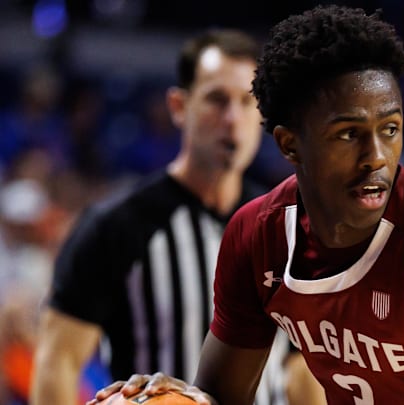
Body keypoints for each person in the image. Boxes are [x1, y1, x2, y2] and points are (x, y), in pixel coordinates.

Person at [90, 5, 404, 404]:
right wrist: (172, 399)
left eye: (390, 129)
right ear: (290, 145)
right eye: (348, 134)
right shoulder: (258, 237)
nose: (376, 158)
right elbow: (220, 398)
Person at [30, 29, 288, 405]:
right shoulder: (115, 225)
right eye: (217, 100)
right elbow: (58, 361)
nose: (233, 118)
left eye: (247, 102)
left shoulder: (283, 226)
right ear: (179, 106)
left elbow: (299, 370)